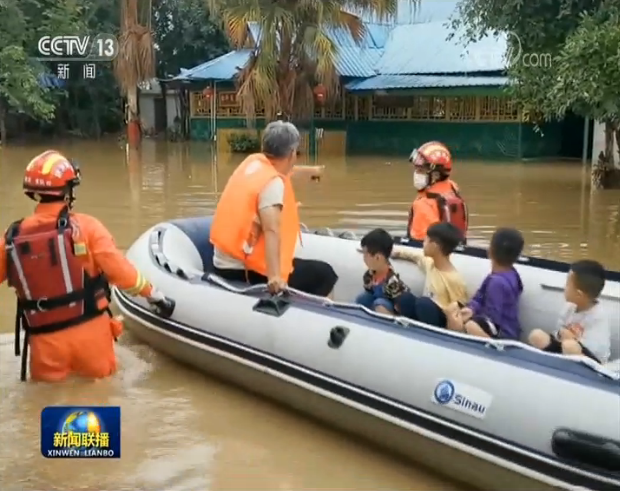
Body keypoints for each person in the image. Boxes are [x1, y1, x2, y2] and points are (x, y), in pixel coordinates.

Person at [0, 150, 174, 382]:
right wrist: (154, 295)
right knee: (101, 404)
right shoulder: (87, 228)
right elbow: (121, 272)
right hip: (92, 339)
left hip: (45, 346)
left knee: (49, 409)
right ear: (67, 191)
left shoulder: (11, 239)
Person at [211, 121, 338, 297]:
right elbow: (271, 230)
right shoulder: (272, 183)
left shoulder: (253, 163)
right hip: (242, 269)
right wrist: (275, 277)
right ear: (292, 153)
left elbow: (286, 171)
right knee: (324, 274)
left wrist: (311, 171)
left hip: (226, 259)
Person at [446, 228, 524, 339]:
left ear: (490, 251)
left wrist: (469, 320)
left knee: (464, 322)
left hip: (503, 334)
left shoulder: (497, 282)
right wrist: (472, 309)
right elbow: (481, 296)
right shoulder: (510, 273)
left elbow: (493, 318)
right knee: (461, 314)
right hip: (505, 328)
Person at [528, 260, 611, 364]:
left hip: (590, 359)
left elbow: (596, 349)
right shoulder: (569, 307)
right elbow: (559, 331)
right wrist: (560, 334)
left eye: (568, 285)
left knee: (570, 346)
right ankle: (548, 366)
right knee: (536, 335)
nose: (564, 288)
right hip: (565, 346)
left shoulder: (597, 317)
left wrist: (574, 340)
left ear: (579, 294)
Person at [392, 222, 468, 327]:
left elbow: (460, 309)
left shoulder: (454, 279)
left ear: (435, 246)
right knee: (405, 298)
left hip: (440, 321)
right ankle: (411, 329)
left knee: (423, 303)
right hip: (424, 312)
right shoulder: (430, 264)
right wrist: (398, 253)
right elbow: (416, 257)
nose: (423, 243)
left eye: (426, 240)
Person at [407, 141, 468, 241]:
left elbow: (418, 244)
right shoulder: (453, 191)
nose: (416, 174)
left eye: (421, 170)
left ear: (436, 175)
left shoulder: (424, 204)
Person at [355, 228, 409, 314]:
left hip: (390, 310)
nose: (364, 258)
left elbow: (402, 306)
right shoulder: (368, 276)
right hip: (374, 303)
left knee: (380, 304)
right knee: (362, 298)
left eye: (365, 254)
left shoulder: (392, 282)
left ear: (377, 258)